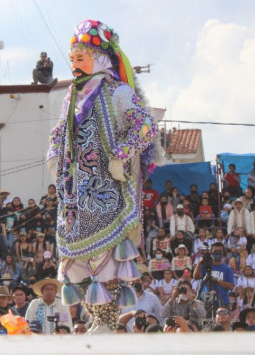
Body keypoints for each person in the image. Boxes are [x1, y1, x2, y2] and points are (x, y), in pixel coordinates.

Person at [46, 19, 159, 332]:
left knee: (107, 262)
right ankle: (97, 319)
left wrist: (120, 156)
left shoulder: (118, 92)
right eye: (72, 60)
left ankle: (107, 321)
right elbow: (59, 133)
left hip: (108, 195)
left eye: (80, 58)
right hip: (74, 198)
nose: (75, 66)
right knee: (76, 263)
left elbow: (145, 126)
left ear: (99, 58)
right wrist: (54, 155)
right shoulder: (72, 97)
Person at [193, 241, 235, 310]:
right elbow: (196, 277)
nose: (218, 253)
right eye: (215, 251)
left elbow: (231, 286)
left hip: (222, 302)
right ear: (211, 252)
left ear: (223, 253)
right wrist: (199, 264)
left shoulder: (228, 269)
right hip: (205, 301)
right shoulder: (205, 266)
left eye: (220, 251)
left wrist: (218, 280)